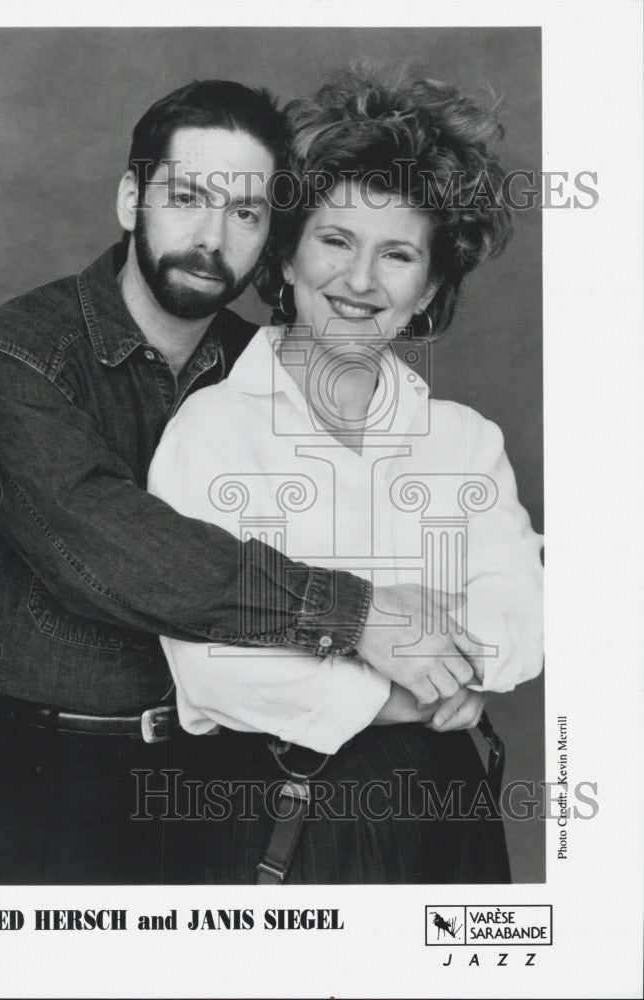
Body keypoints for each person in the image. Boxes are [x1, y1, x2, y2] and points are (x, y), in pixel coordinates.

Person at [0, 77, 470, 885]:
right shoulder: (11, 361)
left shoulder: (260, 366)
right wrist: (357, 614)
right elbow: (116, 548)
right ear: (132, 196)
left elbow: (384, 512)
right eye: (187, 196)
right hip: (57, 780)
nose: (211, 236)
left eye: (245, 212)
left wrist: (457, 646)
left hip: (238, 781)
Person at [148, 66, 544, 883]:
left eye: (396, 254)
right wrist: (403, 692)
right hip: (280, 811)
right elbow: (213, 666)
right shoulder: (213, 430)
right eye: (335, 241)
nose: (359, 282)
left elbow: (523, 613)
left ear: (427, 289)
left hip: (445, 808)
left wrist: (434, 652)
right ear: (286, 258)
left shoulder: (463, 439)